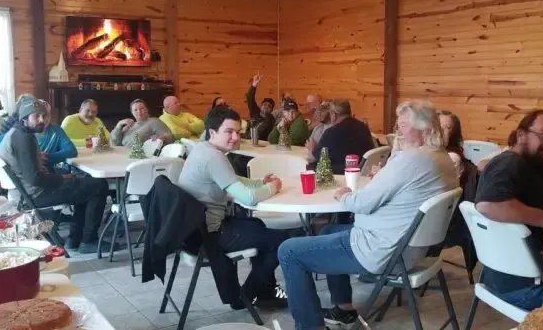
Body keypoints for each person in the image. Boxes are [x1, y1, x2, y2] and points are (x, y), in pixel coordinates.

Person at [278, 100, 459, 330]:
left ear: (423, 129)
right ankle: (344, 310)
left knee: (289, 251)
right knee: (328, 230)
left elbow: (362, 203)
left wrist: (344, 195)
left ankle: (309, 327)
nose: (397, 131)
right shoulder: (441, 157)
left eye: (403, 125)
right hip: (413, 250)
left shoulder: (411, 160)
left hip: (382, 250)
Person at [177, 106, 289, 308]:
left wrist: (259, 182)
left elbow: (232, 180)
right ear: (212, 132)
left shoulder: (203, 149)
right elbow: (248, 198)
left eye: (238, 132)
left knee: (258, 225)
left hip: (195, 230)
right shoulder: (213, 157)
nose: (236, 137)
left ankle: (264, 289)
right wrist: (273, 187)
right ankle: (246, 295)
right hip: (211, 234)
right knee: (283, 241)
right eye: (229, 131)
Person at [475, 110, 543, 311]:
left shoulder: (535, 167)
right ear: (521, 136)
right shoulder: (510, 163)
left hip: (522, 275)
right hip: (525, 286)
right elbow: (487, 204)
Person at [0, 97, 111, 253]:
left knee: (86, 186)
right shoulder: (24, 139)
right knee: (99, 185)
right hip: (35, 195)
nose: (41, 120)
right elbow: (35, 179)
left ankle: (75, 238)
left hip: (28, 192)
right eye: (36, 116)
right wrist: (63, 178)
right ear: (24, 118)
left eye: (43, 116)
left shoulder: (16, 133)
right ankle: (88, 240)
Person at [0, 100, 77, 172]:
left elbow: (71, 151)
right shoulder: (23, 133)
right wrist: (32, 157)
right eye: (37, 116)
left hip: (49, 173)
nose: (42, 120)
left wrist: (47, 157)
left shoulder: (56, 130)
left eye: (45, 115)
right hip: (31, 176)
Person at [308, 99, 373, 174]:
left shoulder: (332, 132)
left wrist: (312, 148)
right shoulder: (363, 127)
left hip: (338, 174)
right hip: (362, 171)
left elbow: (315, 157)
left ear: (333, 114)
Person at [246, 73, 276, 141]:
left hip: (261, 142)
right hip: (248, 139)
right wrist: (254, 85)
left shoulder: (271, 119)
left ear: (271, 110)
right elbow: (250, 98)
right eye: (264, 104)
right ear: (261, 106)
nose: (266, 106)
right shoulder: (255, 111)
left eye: (269, 106)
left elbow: (261, 131)